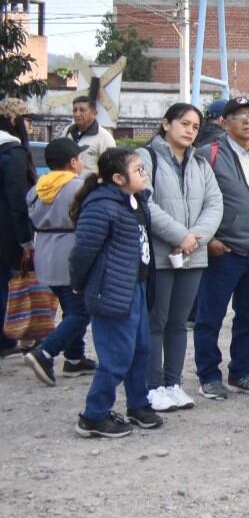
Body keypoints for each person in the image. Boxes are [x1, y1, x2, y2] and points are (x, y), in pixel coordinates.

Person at [67, 148, 161, 438]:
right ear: (118, 178)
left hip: (138, 286)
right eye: (139, 170)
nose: (145, 175)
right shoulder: (101, 204)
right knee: (117, 356)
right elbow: (83, 252)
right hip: (112, 291)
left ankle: (138, 404)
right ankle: (93, 416)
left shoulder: (137, 199)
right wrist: (79, 284)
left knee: (141, 349)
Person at [195, 96, 249, 400]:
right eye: (239, 115)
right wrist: (210, 239)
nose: (248, 121)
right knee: (210, 316)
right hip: (224, 252)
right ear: (225, 122)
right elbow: (197, 202)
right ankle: (208, 375)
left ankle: (241, 372)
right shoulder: (210, 154)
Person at [139, 104, 224, 411]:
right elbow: (145, 203)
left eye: (195, 126)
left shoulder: (200, 163)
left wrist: (194, 238)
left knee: (178, 322)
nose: (190, 130)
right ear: (166, 123)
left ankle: (173, 383)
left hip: (192, 255)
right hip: (161, 254)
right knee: (155, 321)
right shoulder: (145, 158)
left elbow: (215, 204)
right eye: (184, 123)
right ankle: (152, 385)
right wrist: (180, 236)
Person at [23, 139, 93, 386]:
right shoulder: (79, 187)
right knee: (81, 311)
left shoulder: (38, 188)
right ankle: (45, 352)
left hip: (45, 252)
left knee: (69, 306)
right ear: (73, 162)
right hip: (70, 252)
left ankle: (74, 358)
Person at [0, 99, 37, 357]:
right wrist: (26, 240)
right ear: (14, 120)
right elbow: (17, 199)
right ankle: (6, 340)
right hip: (7, 233)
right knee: (7, 284)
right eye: (27, 119)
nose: (29, 125)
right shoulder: (13, 153)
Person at [67, 95, 116, 175]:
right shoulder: (67, 131)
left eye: (82, 110)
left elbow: (110, 167)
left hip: (89, 186)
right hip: (67, 184)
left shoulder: (104, 137)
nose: (77, 114)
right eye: (75, 110)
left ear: (94, 113)